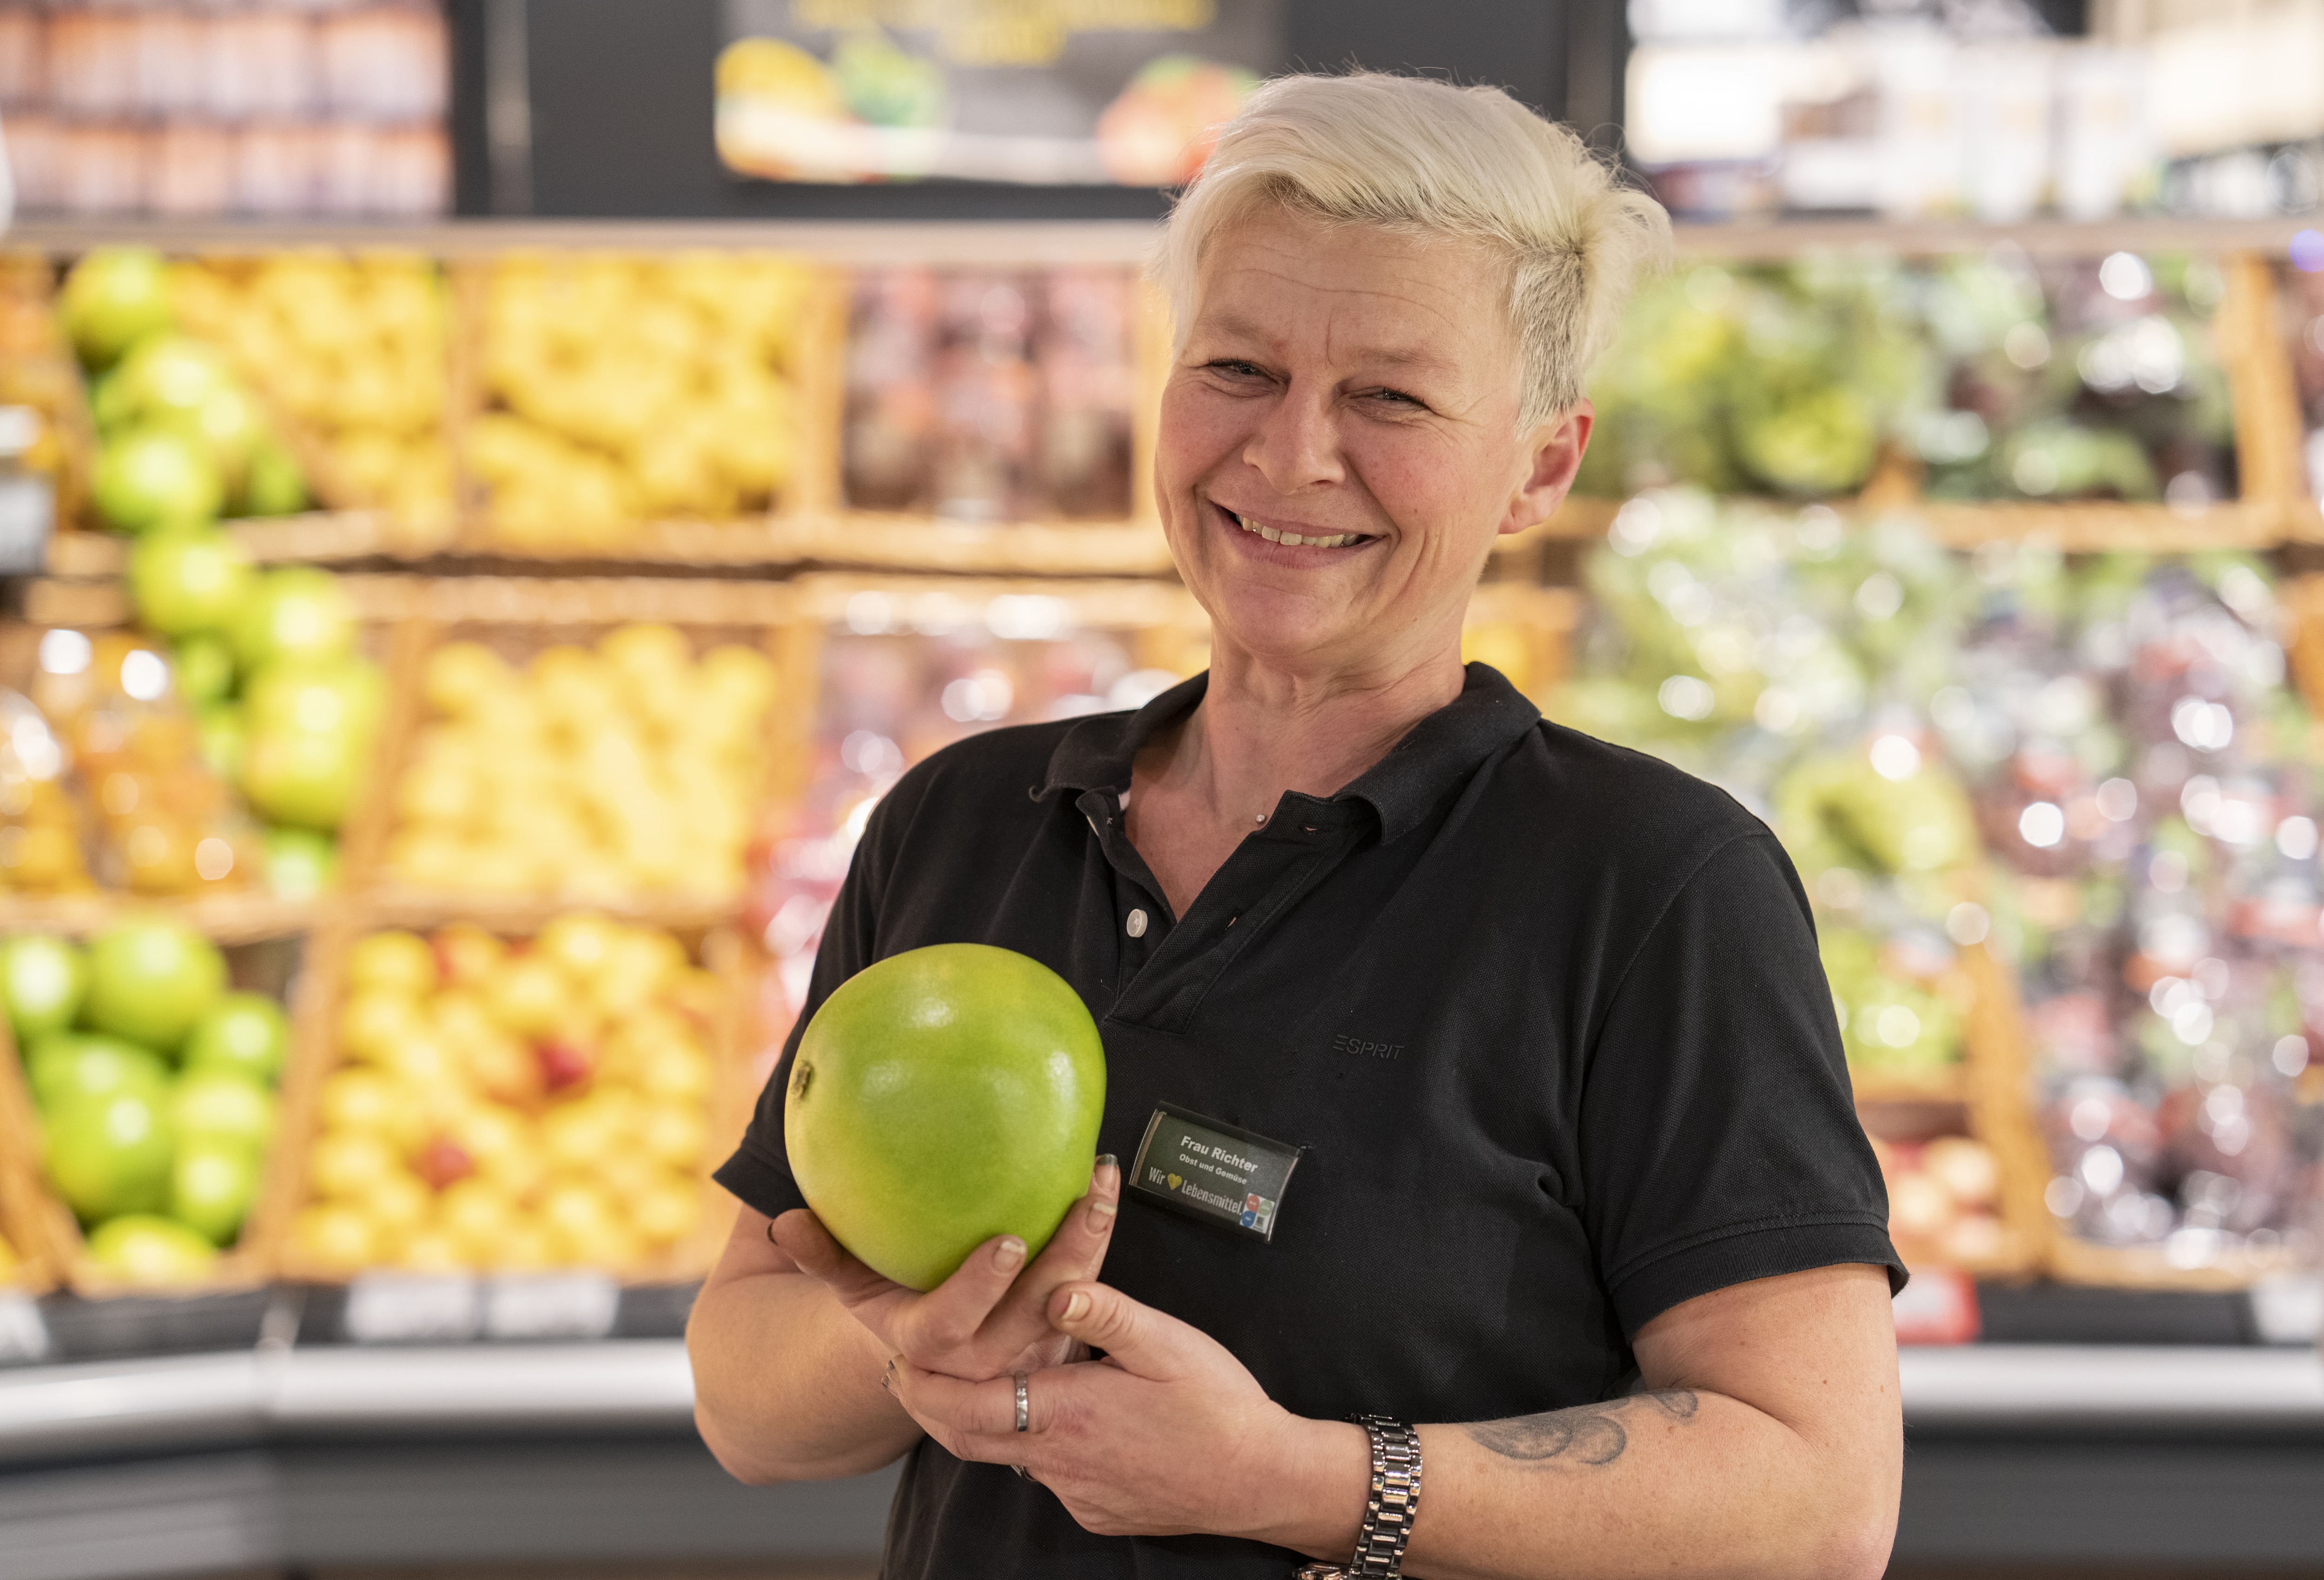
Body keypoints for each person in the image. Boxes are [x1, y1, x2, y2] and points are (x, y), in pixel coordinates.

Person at [689, 71, 1905, 1580]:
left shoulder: (1652, 887)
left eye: (1389, 397)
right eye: (1240, 369)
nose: (1288, 455)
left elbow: (1818, 1498)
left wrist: (1307, 1481)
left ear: (1542, 462)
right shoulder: (962, 824)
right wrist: (901, 1345)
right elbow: (743, 1393)